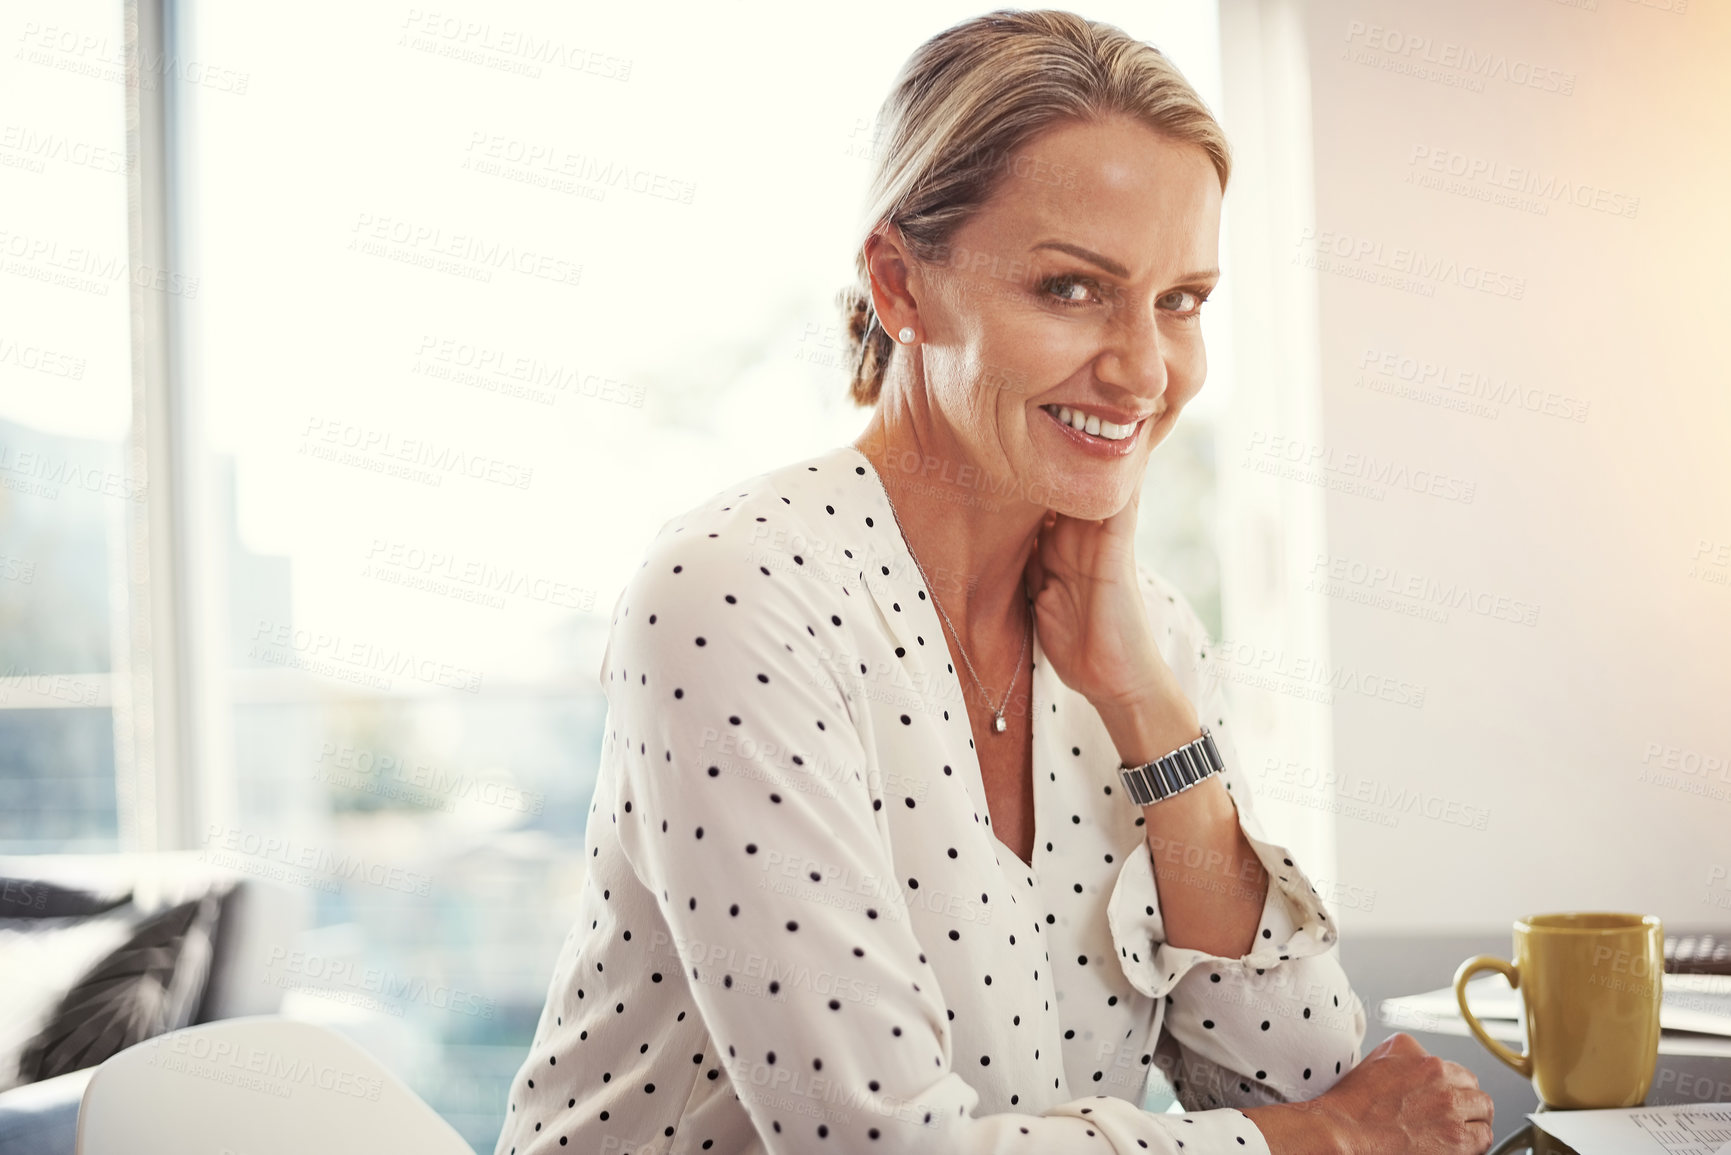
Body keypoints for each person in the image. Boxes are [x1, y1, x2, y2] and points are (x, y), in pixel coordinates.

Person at [494, 10, 1495, 1154]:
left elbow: (1294, 1068)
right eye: (1072, 289)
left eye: (1181, 301)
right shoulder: (738, 595)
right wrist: (1328, 1141)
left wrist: (1142, 701)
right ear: (901, 282)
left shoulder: (1143, 632)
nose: (1143, 369)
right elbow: (879, 1148)